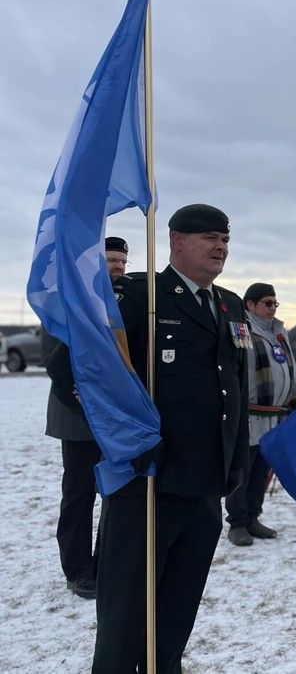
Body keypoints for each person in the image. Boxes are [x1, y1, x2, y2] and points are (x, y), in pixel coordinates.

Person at [92, 204, 249, 673]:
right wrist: (130, 440)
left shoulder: (229, 303)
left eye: (224, 238)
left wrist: (236, 460)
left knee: (178, 607)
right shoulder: (140, 296)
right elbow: (81, 371)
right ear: (176, 241)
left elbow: (234, 386)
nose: (220, 246)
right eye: (208, 237)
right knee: (126, 613)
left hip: (203, 482)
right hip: (148, 483)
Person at [42, 236, 132, 600]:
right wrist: (89, 406)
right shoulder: (69, 298)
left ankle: (106, 561)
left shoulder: (128, 301)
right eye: (111, 260)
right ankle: (77, 569)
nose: (117, 268)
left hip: (117, 417)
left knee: (117, 491)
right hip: (78, 416)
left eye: (122, 262)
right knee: (79, 494)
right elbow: (56, 361)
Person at [225, 282, 296, 546]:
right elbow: (235, 371)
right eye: (267, 303)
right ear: (250, 304)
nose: (272, 308)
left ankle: (253, 517)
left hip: (274, 416)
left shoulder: (278, 333)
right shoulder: (241, 330)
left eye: (275, 303)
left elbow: (290, 369)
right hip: (249, 415)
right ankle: (237, 522)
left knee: (261, 470)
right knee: (244, 469)